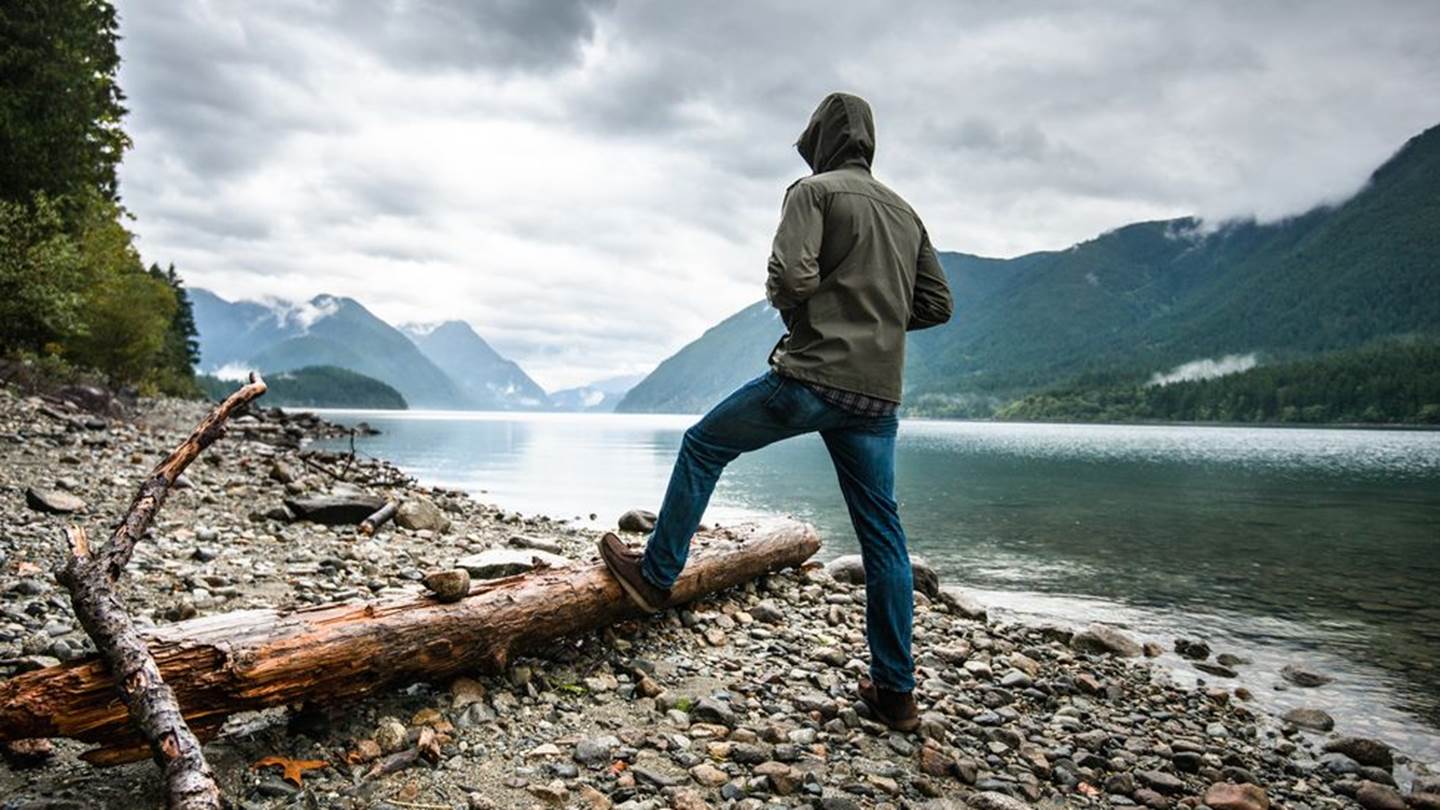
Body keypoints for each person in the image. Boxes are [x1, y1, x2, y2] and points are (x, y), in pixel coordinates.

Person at [599, 92, 953, 731]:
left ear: (820, 140)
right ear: (869, 142)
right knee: (885, 540)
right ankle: (896, 696)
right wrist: (875, 322)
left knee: (704, 444)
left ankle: (656, 575)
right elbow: (936, 304)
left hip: (812, 376)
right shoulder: (907, 214)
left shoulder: (812, 193)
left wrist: (813, 318)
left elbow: (791, 277)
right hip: (875, 399)